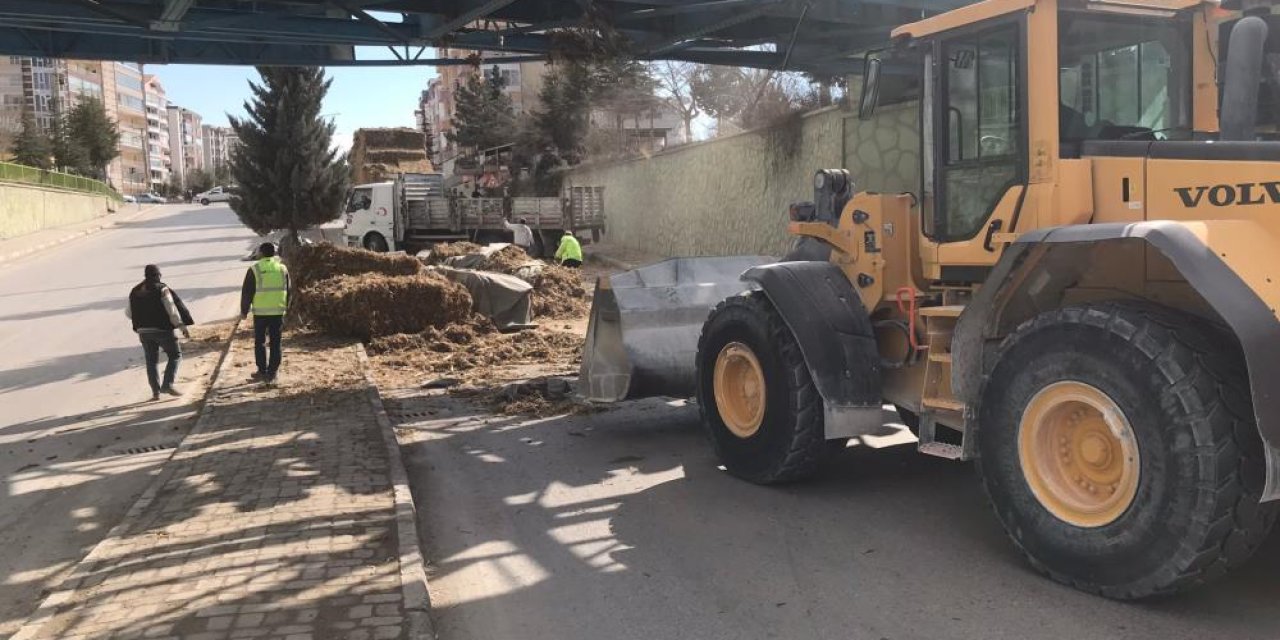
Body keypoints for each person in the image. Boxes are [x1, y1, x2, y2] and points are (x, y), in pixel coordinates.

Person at [126, 265, 193, 400]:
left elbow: (129, 313)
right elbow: (171, 309)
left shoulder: (135, 290)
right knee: (175, 355)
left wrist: (143, 320)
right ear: (158, 275)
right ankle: (167, 384)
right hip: (162, 330)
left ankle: (155, 393)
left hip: (143, 331)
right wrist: (181, 326)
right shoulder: (162, 288)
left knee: (151, 361)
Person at [240, 242, 290, 384]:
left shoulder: (255, 269)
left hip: (260, 313)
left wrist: (244, 311)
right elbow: (289, 290)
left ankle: (262, 371)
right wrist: (288, 307)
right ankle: (273, 372)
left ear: (261, 253)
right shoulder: (282, 269)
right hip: (278, 311)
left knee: (260, 342)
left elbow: (247, 292)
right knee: (276, 342)